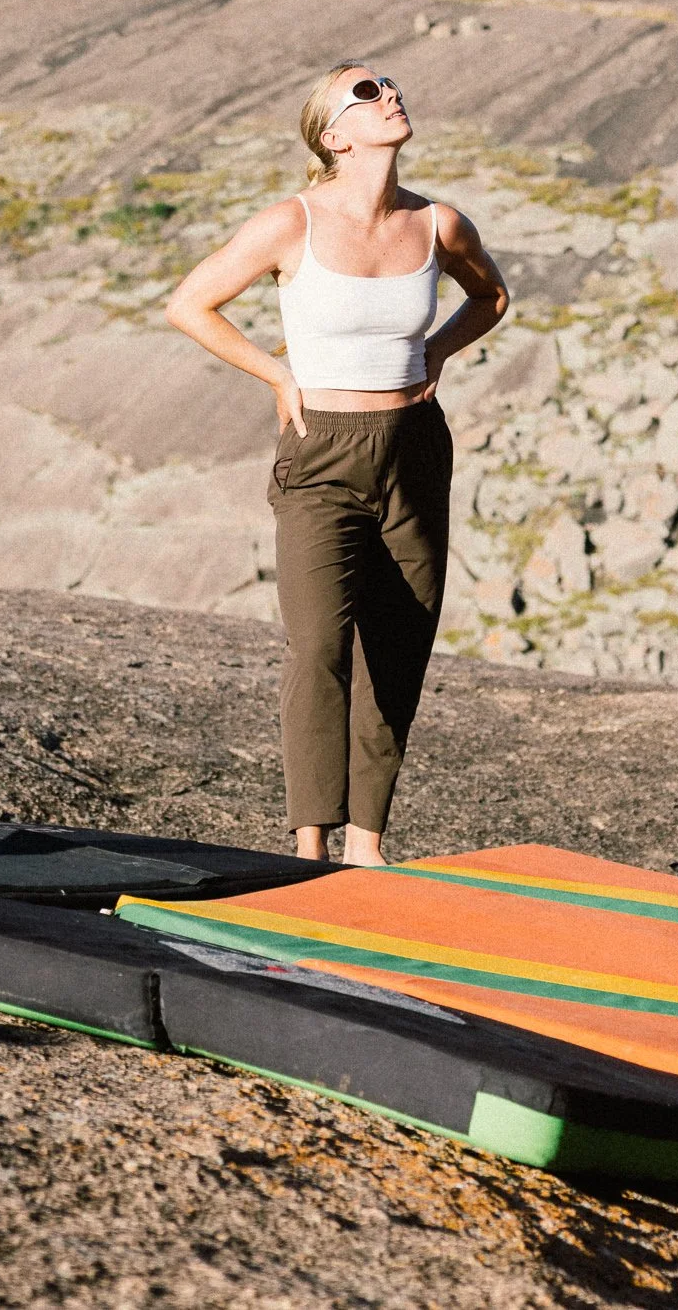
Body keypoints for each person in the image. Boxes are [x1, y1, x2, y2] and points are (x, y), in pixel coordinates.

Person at [165, 65, 508, 865]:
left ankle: (367, 844)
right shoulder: (291, 223)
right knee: (319, 643)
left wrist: (437, 351)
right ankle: (309, 843)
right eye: (365, 93)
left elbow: (490, 298)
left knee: (400, 645)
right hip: (321, 453)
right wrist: (278, 374)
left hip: (414, 448)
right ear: (333, 135)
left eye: (389, 84)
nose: (389, 94)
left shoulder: (438, 225)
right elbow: (188, 304)